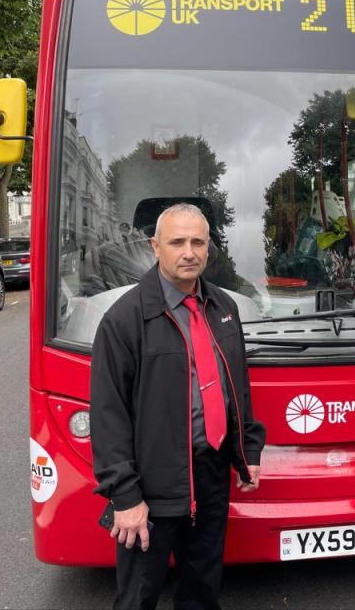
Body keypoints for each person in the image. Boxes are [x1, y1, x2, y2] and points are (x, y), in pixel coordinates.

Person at [91, 203, 266, 610]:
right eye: (177, 242)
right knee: (138, 596)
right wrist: (126, 497)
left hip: (210, 472)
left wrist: (246, 452)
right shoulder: (124, 320)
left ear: (208, 248)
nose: (189, 252)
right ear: (155, 246)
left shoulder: (224, 307)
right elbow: (108, 415)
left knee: (203, 590)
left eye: (197, 242)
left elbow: (236, 386)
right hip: (152, 483)